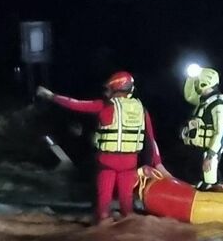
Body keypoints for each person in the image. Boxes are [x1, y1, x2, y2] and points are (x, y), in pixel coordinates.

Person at [36, 72, 171, 224]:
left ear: (114, 88)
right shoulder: (142, 109)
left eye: (108, 89)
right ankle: (129, 227)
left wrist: (51, 96)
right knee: (127, 204)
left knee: (103, 204)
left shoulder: (105, 106)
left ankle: (103, 225)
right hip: (129, 163)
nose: (106, 92)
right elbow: (151, 139)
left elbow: (75, 104)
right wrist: (158, 164)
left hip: (107, 162)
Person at [180, 66, 223, 191]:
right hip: (197, 150)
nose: (195, 84)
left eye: (197, 81)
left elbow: (219, 132)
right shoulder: (205, 100)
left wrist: (210, 156)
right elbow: (189, 96)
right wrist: (190, 78)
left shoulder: (219, 105)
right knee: (197, 180)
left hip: (209, 151)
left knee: (209, 183)